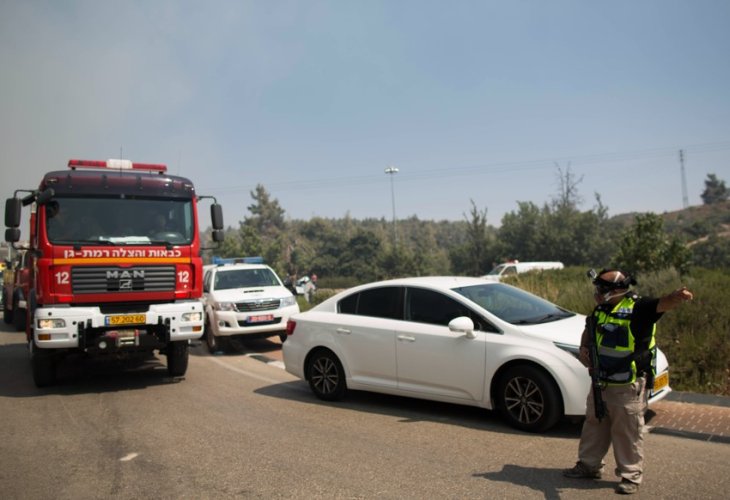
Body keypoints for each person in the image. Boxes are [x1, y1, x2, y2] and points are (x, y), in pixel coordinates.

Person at [563, 268, 693, 494]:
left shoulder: (639, 307)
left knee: (628, 432)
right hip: (600, 382)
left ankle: (631, 476)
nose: (597, 292)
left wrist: (676, 297)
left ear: (616, 290)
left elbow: (662, 304)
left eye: (601, 288)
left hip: (627, 386)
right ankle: (588, 465)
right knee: (594, 424)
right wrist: (584, 349)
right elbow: (589, 330)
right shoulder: (601, 309)